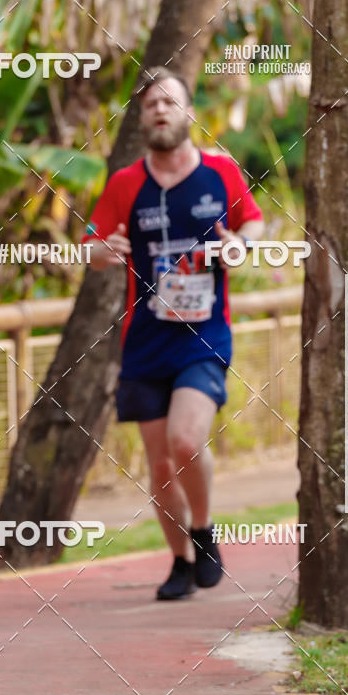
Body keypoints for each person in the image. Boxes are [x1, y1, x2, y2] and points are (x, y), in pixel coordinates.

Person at [85, 67, 264, 600]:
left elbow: (253, 222)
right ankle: (179, 561)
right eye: (149, 105)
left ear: (189, 113)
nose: (159, 110)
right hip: (144, 339)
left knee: (187, 441)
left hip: (204, 333)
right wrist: (101, 253)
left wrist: (242, 244)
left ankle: (203, 531)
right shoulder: (124, 184)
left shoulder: (220, 172)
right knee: (160, 462)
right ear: (141, 119)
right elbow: (90, 247)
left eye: (169, 102)